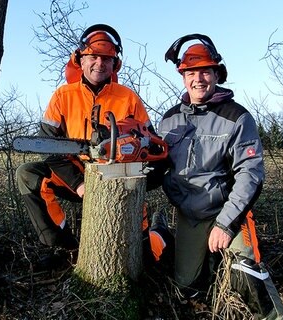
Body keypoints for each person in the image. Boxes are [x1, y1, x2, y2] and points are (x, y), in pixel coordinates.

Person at [156, 34, 283, 319]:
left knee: (246, 272)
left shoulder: (237, 117)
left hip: (227, 211)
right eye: (191, 72)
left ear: (217, 73)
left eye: (205, 71)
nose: (198, 79)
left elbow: (250, 175)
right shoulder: (169, 119)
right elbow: (158, 167)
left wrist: (226, 224)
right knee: (185, 287)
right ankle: (167, 237)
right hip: (189, 212)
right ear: (182, 77)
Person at [15, 24, 169, 268]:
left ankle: (160, 233)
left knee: (146, 260)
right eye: (93, 57)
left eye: (106, 58)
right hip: (76, 175)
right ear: (81, 60)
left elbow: (152, 145)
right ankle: (63, 247)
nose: (100, 63)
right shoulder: (62, 96)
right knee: (28, 174)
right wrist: (79, 184)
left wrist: (134, 176)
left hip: (120, 179)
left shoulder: (128, 97)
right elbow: (48, 146)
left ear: (114, 63)